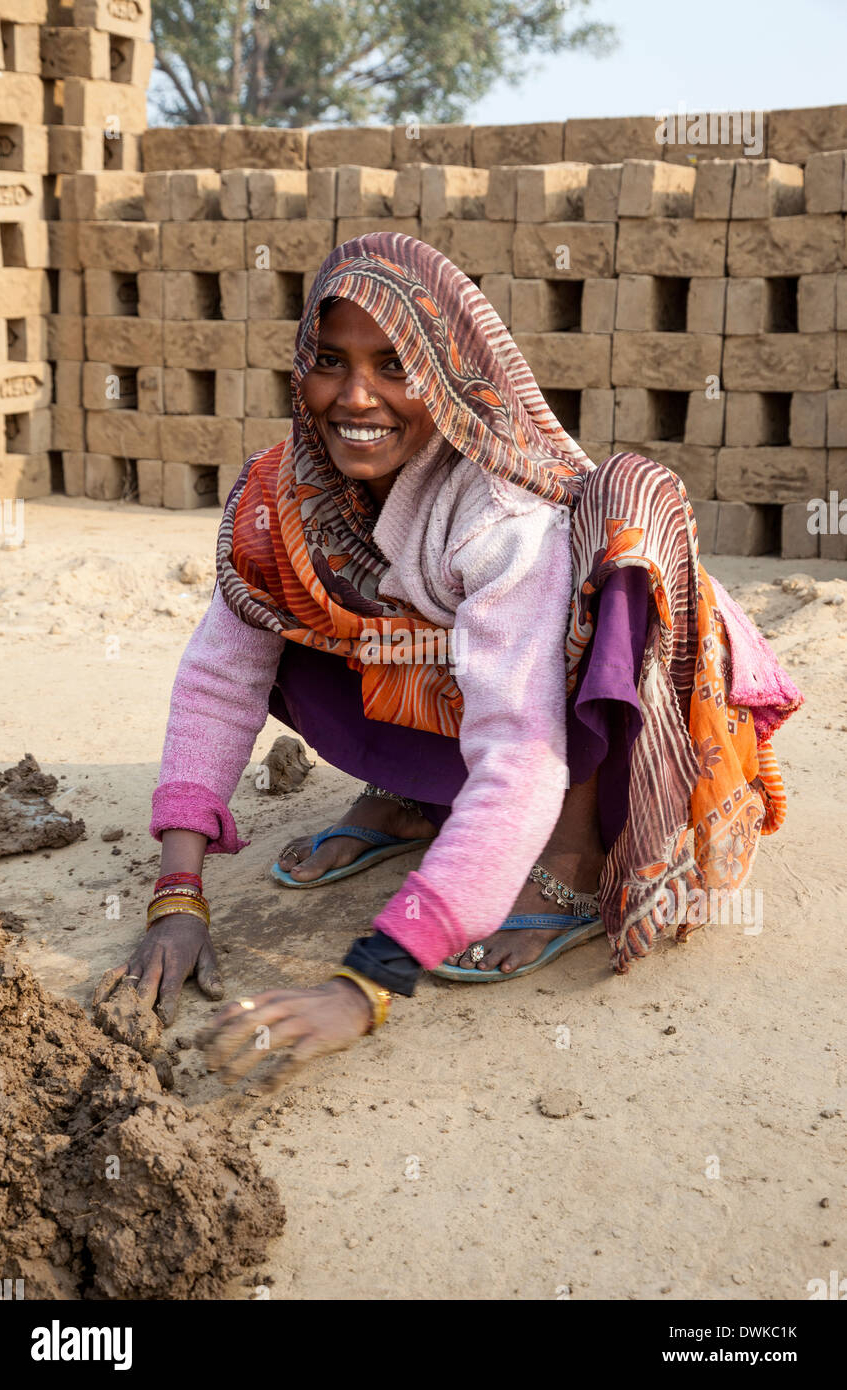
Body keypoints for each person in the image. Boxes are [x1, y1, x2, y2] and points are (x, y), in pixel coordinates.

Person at [95, 232, 803, 1087]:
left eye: (395, 365)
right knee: (285, 592)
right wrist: (178, 898)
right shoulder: (287, 489)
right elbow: (221, 675)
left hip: (632, 675)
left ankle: (570, 863)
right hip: (457, 662)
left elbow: (520, 752)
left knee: (593, 600)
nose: (356, 397)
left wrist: (371, 978)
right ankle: (409, 796)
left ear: (447, 376)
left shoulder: (500, 516)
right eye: (330, 360)